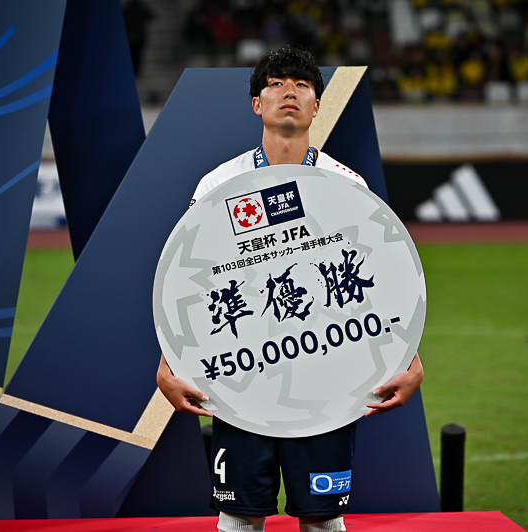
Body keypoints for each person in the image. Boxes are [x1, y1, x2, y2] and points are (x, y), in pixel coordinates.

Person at [157, 46, 424, 532]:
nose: (289, 92)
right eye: (276, 83)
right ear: (256, 103)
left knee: (323, 519)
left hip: (325, 379)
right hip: (244, 380)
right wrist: (168, 364)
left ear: (317, 106)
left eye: (302, 85)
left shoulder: (347, 184)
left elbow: (380, 278)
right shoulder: (220, 185)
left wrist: (410, 358)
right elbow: (189, 283)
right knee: (239, 516)